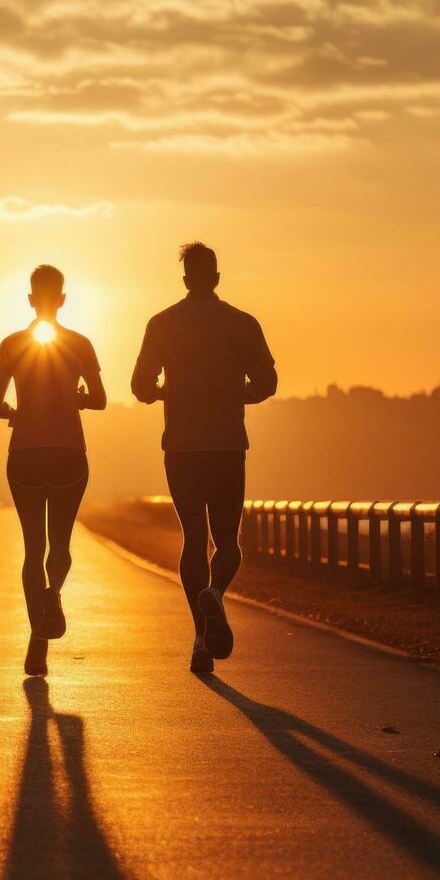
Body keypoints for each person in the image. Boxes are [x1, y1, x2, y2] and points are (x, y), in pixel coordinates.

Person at [131, 242, 276, 673]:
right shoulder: (242, 323)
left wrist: (164, 392)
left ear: (185, 280)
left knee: (194, 540)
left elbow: (140, 385)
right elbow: (267, 382)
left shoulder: (162, 324)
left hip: (180, 447)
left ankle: (199, 637)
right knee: (228, 542)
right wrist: (239, 395)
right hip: (228, 446)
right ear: (215, 278)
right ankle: (215, 592)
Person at [0, 264, 106, 676]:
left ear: (30, 299)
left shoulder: (11, 344)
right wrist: (77, 399)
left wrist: (13, 411)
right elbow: (101, 399)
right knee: (60, 544)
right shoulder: (81, 344)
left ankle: (37, 640)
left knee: (32, 548)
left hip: (25, 452)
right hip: (69, 451)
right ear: (62, 299)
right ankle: (53, 593)